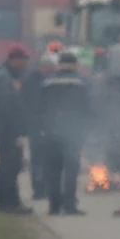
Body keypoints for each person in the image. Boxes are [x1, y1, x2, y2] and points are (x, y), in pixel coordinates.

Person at [40, 52, 93, 216]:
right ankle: (69, 205)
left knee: (53, 170)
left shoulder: (47, 81)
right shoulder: (81, 82)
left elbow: (41, 107)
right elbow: (87, 107)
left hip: (51, 130)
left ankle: (54, 205)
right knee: (70, 169)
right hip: (72, 131)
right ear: (75, 65)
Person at [0, 45, 33, 214]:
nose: (24, 64)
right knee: (10, 166)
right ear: (14, 60)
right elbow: (8, 108)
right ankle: (9, 203)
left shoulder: (8, 76)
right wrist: (18, 132)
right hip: (9, 131)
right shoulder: (5, 78)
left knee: (11, 165)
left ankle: (10, 201)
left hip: (6, 129)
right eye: (22, 60)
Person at [22, 52, 58, 200]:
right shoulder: (32, 80)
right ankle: (38, 189)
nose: (48, 70)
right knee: (37, 158)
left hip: (53, 125)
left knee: (51, 158)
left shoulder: (56, 81)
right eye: (46, 67)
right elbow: (26, 102)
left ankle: (50, 188)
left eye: (51, 67)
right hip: (36, 124)